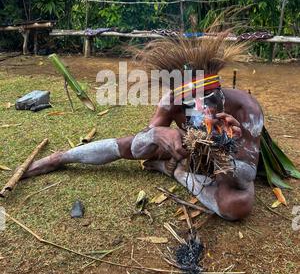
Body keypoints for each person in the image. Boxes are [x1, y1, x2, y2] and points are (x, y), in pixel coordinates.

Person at [22, 31, 264, 221]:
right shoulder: (172, 102)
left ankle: (176, 173)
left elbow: (244, 177)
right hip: (185, 149)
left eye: (209, 99)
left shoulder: (247, 110)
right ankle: (60, 158)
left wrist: (226, 148)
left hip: (225, 166)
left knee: (237, 205)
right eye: (192, 103)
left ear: (220, 91)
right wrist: (158, 134)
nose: (203, 111)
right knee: (136, 143)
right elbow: (138, 149)